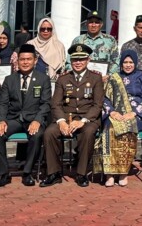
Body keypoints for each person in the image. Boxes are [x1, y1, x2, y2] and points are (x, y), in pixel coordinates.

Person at [41, 43, 104, 187]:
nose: (78, 62)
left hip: (88, 118)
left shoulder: (95, 78)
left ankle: (81, 174)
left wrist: (83, 120)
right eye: (75, 59)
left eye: (81, 59)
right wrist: (62, 121)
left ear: (88, 60)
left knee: (87, 133)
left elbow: (97, 105)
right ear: (71, 61)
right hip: (66, 117)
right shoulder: (63, 78)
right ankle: (54, 173)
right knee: (49, 133)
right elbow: (55, 104)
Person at [0, 43, 53, 187]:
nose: (25, 62)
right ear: (17, 61)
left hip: (33, 119)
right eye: (22, 59)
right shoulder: (9, 79)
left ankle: (28, 173)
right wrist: (1, 120)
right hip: (14, 119)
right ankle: (3, 173)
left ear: (35, 61)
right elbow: (3, 103)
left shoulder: (43, 79)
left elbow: (46, 103)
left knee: (37, 135)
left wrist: (38, 120)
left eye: (28, 59)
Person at [96, 50, 142, 186]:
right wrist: (112, 112)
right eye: (125, 62)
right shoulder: (114, 77)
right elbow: (105, 98)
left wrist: (133, 113)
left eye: (131, 62)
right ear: (121, 63)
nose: (128, 65)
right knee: (109, 130)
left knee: (127, 131)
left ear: (135, 63)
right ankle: (109, 173)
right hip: (115, 114)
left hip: (134, 115)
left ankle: (122, 172)